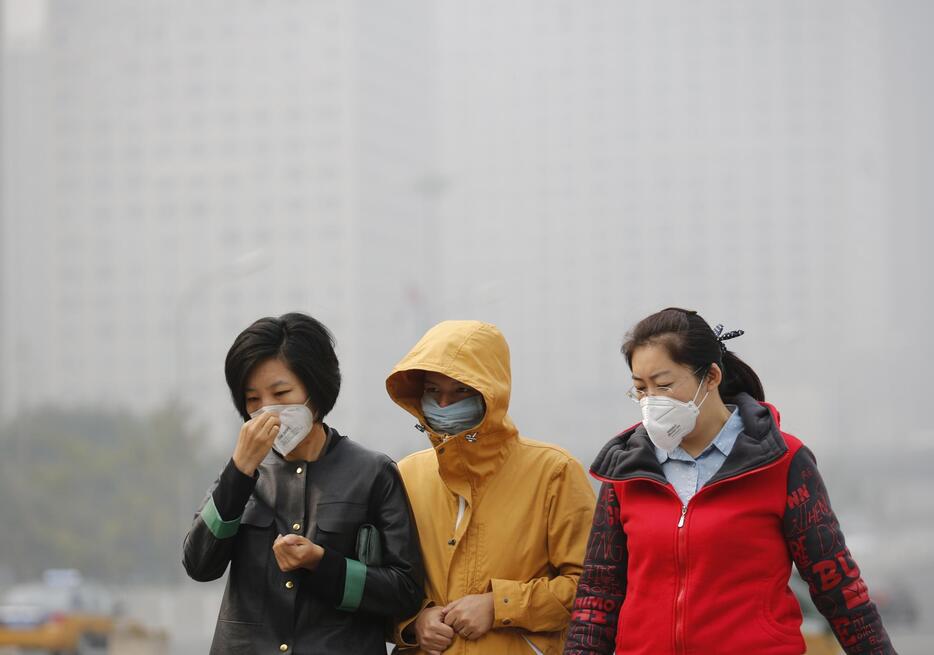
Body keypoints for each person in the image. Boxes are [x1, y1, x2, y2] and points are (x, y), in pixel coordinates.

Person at [563, 307, 895, 655]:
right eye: (640, 389)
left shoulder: (782, 461)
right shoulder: (626, 470)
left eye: (663, 385)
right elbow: (597, 598)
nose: (651, 402)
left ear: (711, 377)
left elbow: (839, 588)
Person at [183, 312, 424, 654]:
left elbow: (405, 592)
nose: (268, 409)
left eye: (281, 393)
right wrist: (239, 471)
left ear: (315, 390)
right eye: (253, 400)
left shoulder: (372, 473)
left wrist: (322, 563)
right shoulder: (240, 473)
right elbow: (200, 566)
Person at [386, 320, 596, 655]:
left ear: (492, 392)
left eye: (461, 391)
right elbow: (383, 583)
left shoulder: (554, 471)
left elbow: (591, 587)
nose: (443, 404)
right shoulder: (406, 474)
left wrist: (500, 606)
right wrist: (413, 622)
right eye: (432, 391)